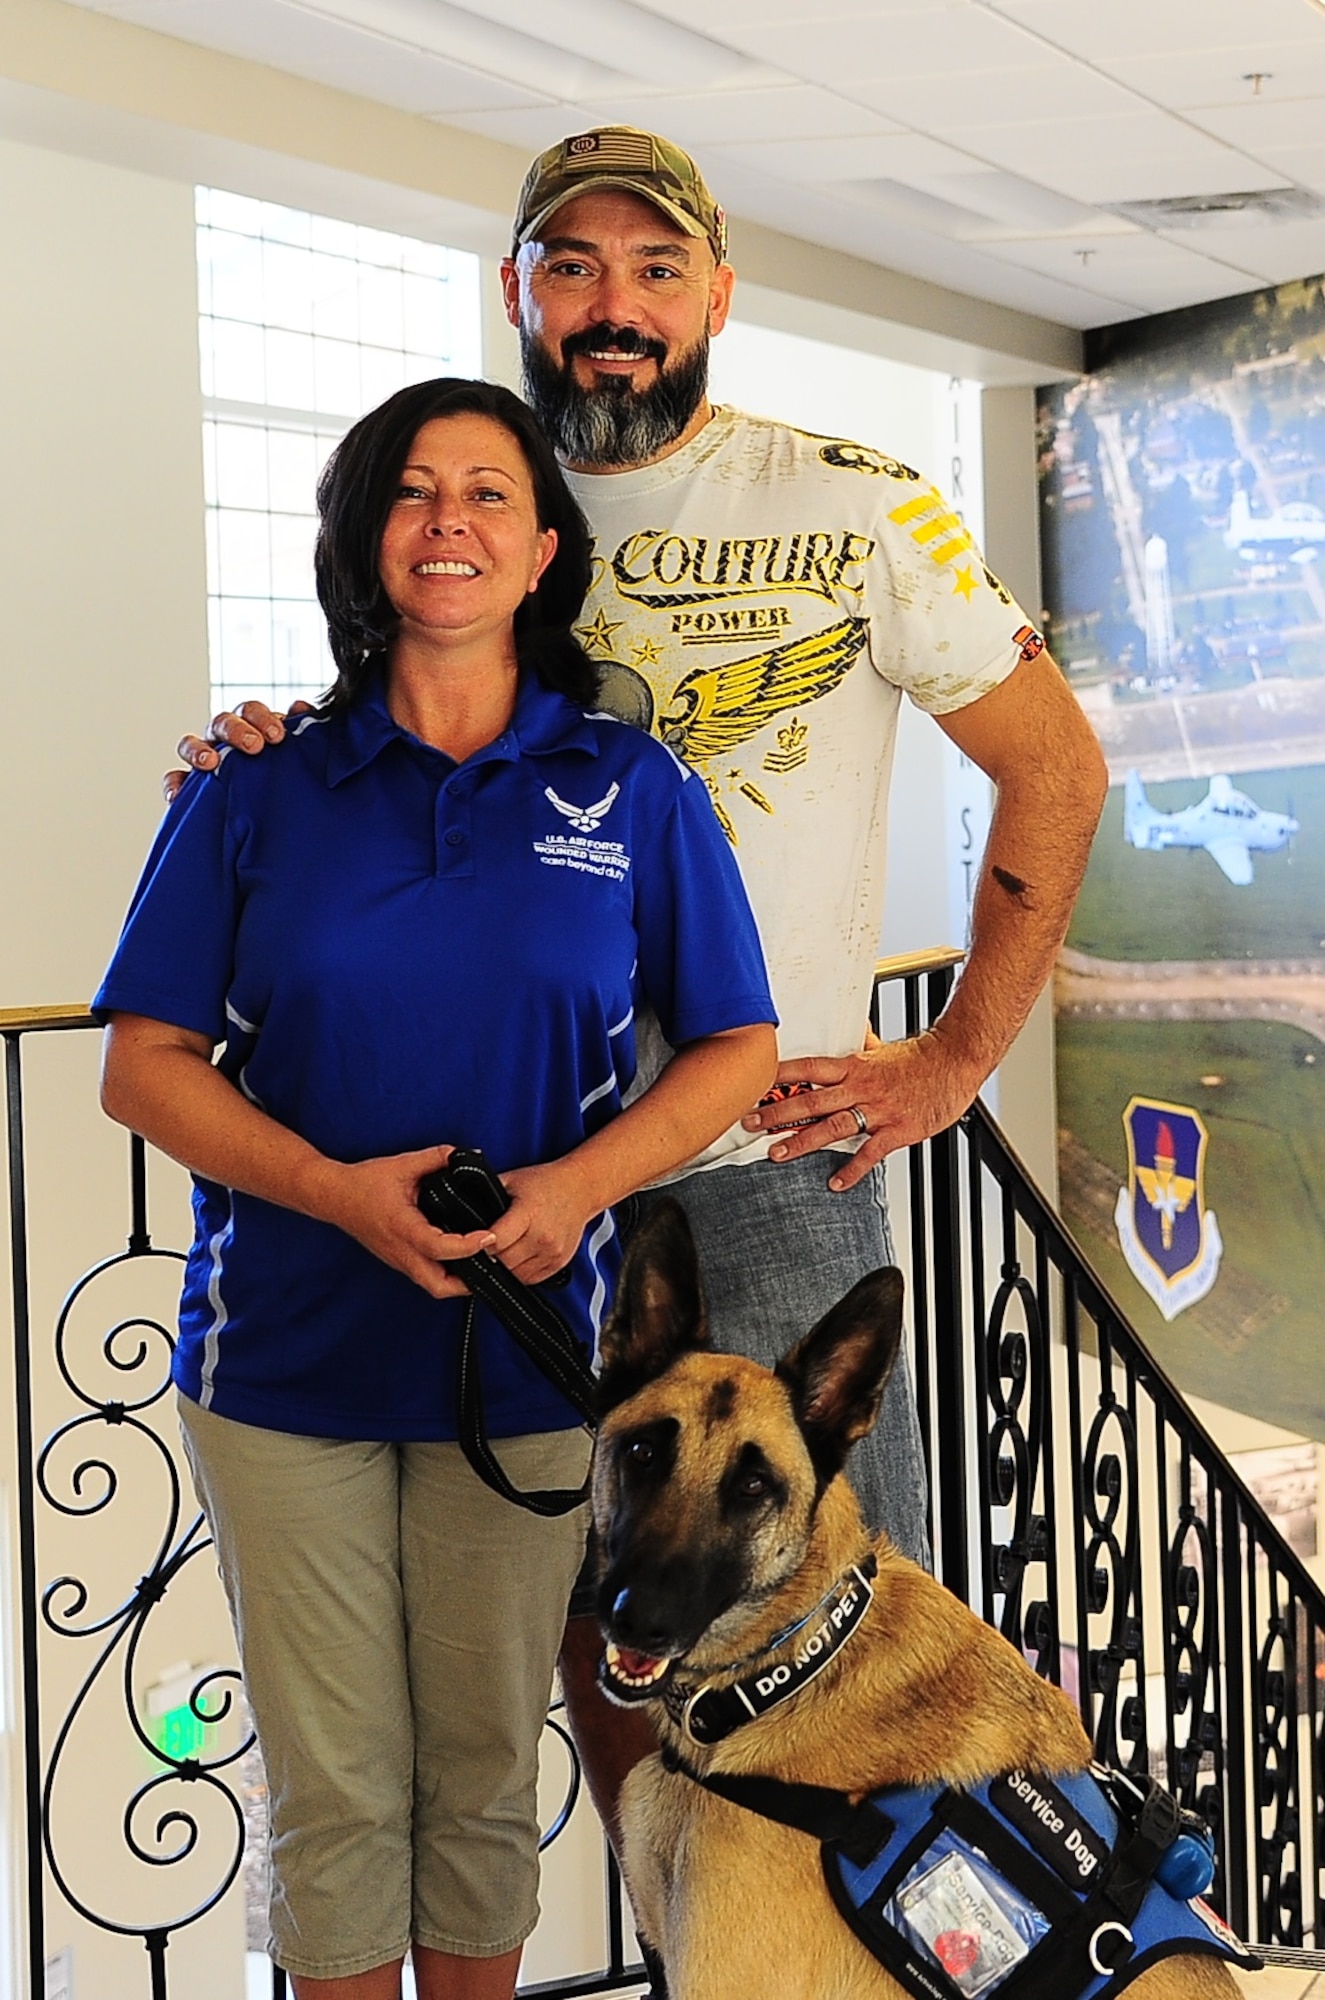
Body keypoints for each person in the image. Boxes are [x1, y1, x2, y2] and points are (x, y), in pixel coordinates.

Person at [172, 129, 1108, 1975]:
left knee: (830, 1663)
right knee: (608, 1624)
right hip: (501, 1188)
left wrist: (948, 1068)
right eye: (573, 271)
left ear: (716, 297)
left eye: (654, 273)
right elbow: (382, 751)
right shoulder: (486, 509)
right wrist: (259, 728)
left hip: (752, 1180)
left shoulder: (856, 500)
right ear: (516, 294)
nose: (614, 311)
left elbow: (1055, 765)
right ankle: (698, 1941)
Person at [99, 375, 777, 2000]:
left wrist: (574, 1189)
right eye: (412, 492)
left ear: (543, 546)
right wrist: (339, 1195)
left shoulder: (630, 788)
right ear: (364, 540)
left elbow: (736, 1046)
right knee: (334, 1795)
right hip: (285, 1363)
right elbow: (144, 1068)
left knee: (479, 1783)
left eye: (487, 491)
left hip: (531, 1360)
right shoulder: (251, 791)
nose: (449, 521)